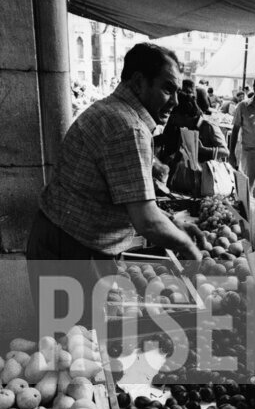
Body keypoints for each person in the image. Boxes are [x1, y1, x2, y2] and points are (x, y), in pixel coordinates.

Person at [27, 43, 202, 263]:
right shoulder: (129, 127)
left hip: (60, 242)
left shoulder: (115, 111)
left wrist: (172, 222)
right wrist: (189, 247)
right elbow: (146, 221)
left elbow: (130, 199)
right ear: (139, 82)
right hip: (73, 251)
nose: (175, 102)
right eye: (168, 89)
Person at [157, 91, 229, 191]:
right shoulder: (185, 128)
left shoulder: (209, 127)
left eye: (175, 116)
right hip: (190, 184)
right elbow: (178, 156)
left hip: (209, 183)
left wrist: (203, 149)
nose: (172, 119)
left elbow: (225, 152)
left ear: (186, 115)